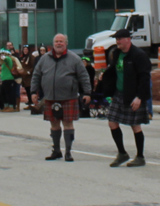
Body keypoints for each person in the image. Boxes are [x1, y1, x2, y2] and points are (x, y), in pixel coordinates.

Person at [31, 33, 91, 162]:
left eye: (61, 41)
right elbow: (36, 75)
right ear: (53, 44)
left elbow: (84, 76)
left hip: (68, 97)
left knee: (68, 123)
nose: (59, 43)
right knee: (54, 124)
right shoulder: (44, 58)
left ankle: (68, 152)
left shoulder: (74, 59)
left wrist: (87, 92)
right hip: (50, 97)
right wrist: (33, 92)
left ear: (66, 44)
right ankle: (56, 151)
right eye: (57, 41)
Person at [102, 28, 152, 167]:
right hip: (119, 93)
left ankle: (140, 157)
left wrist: (139, 97)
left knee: (135, 126)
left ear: (128, 40)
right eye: (116, 39)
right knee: (112, 122)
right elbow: (113, 69)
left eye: (119, 39)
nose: (117, 41)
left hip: (133, 95)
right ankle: (122, 153)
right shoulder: (117, 53)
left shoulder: (138, 55)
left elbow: (144, 78)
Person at [20, 45, 35, 109]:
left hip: (29, 77)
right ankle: (29, 102)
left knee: (30, 90)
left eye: (26, 49)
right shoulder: (23, 57)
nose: (25, 51)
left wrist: (29, 72)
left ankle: (31, 103)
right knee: (27, 89)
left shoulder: (31, 57)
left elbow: (33, 66)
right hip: (24, 77)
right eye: (24, 49)